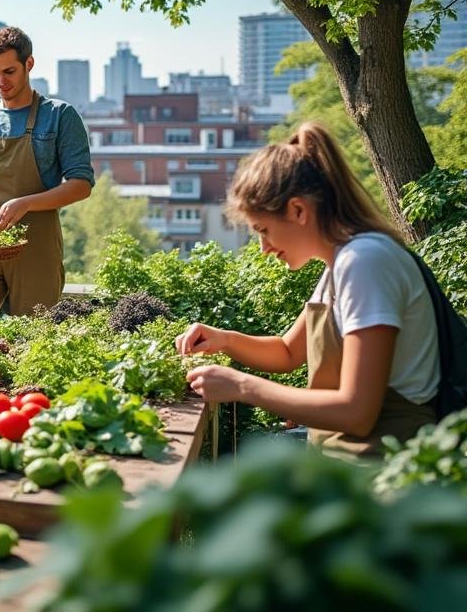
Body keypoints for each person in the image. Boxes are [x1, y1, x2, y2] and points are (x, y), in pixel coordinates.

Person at [177, 123, 440, 456]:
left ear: (298, 210)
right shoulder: (340, 264)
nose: (264, 248)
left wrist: (242, 387)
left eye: (263, 230)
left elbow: (356, 412)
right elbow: (287, 351)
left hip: (388, 481)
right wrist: (224, 339)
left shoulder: (365, 262)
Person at [0, 26, 94, 336]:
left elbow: (82, 183)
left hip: (37, 250)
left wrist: (27, 203)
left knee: (33, 341)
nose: (1, 82)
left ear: (29, 64)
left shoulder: (59, 116)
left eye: (9, 71)